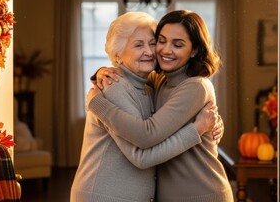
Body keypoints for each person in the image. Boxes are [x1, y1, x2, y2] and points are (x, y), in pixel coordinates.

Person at [70, 11, 223, 202]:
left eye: (152, 42)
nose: (153, 52)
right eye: (139, 44)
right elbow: (144, 149)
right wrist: (100, 77)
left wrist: (206, 128)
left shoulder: (177, 85)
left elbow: (148, 135)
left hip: (201, 192)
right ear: (117, 53)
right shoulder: (128, 84)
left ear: (194, 50)